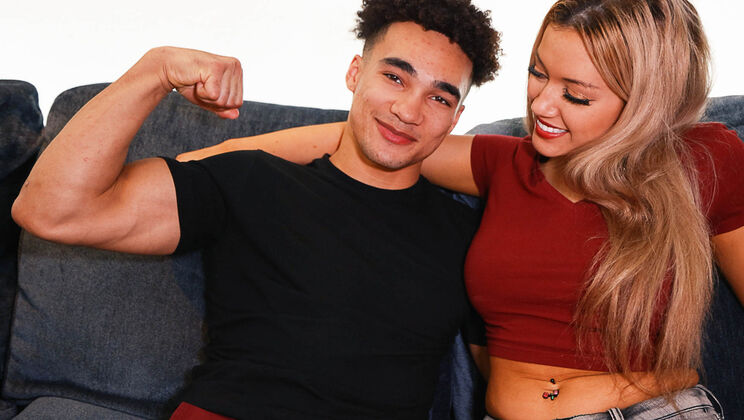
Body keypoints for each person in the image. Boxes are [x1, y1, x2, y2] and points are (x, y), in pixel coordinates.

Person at [179, 0, 744, 419]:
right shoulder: (505, 163)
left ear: (644, 103)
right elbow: (362, 135)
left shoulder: (702, 161)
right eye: (539, 73)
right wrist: (199, 165)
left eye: (576, 94)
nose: (542, 105)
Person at [11, 0, 502, 419]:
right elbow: (52, 210)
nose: (409, 111)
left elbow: (512, 377)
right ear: (355, 73)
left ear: (456, 118)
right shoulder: (253, 179)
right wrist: (155, 69)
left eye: (439, 98)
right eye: (394, 77)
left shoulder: (473, 237)